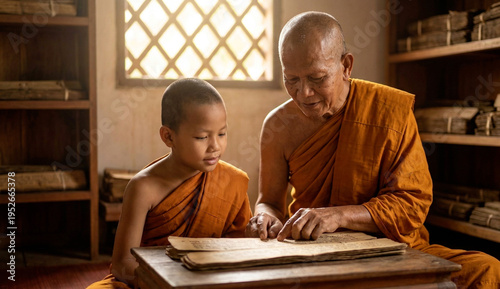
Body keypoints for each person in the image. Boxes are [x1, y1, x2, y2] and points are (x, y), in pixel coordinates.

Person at [245, 11, 500, 288]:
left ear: (346, 66)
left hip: (390, 249)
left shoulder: (389, 111)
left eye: (317, 78)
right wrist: (265, 217)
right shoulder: (278, 126)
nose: (303, 93)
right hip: (311, 250)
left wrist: (339, 215)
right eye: (291, 80)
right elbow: (268, 199)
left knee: (486, 269)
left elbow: (411, 204)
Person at [88, 78, 252, 289]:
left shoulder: (233, 181)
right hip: (151, 282)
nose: (215, 146)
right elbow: (122, 265)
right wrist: (165, 282)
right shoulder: (143, 188)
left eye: (222, 134)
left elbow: (240, 250)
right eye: (202, 137)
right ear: (168, 136)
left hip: (208, 281)